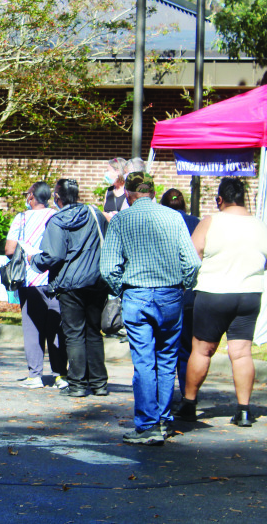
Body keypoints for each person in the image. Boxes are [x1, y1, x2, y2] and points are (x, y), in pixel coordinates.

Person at [100, 172, 201, 446]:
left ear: (130, 196)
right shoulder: (174, 217)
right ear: (153, 193)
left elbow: (108, 268)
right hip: (170, 294)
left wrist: (121, 288)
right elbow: (192, 263)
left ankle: (147, 425)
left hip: (137, 294)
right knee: (167, 359)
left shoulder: (121, 219)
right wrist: (184, 286)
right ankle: (165, 419)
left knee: (144, 361)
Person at [177, 178, 267, 428]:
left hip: (213, 293)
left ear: (220, 199)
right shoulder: (260, 225)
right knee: (241, 353)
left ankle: (189, 404)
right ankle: (244, 410)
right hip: (249, 294)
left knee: (202, 349)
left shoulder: (210, 222)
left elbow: (192, 255)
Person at [29, 178, 109, 397]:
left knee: (73, 334)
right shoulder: (95, 214)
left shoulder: (56, 221)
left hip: (69, 284)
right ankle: (99, 383)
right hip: (96, 281)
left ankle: (78, 385)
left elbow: (53, 255)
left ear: (57, 197)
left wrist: (33, 260)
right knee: (93, 332)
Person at [5, 181, 66, 390]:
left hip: (30, 280)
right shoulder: (57, 216)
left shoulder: (21, 218)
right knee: (56, 328)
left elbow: (9, 249)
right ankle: (60, 375)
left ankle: (35, 375)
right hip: (55, 279)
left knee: (33, 329)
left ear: (31, 196)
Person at [160, 189, 200, 397]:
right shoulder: (197, 223)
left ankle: (163, 398)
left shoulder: (162, 223)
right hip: (191, 294)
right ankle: (188, 396)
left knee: (165, 350)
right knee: (188, 350)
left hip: (167, 291)